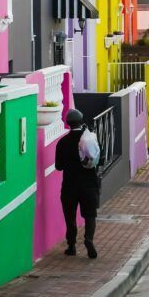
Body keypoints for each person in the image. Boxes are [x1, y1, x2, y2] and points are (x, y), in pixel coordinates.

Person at [55, 108, 100, 258]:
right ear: (82, 122)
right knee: (90, 215)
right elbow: (99, 159)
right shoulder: (89, 139)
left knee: (70, 216)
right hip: (89, 184)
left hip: (69, 185)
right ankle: (88, 239)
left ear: (68, 123)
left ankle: (71, 246)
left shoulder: (62, 143)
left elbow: (58, 166)